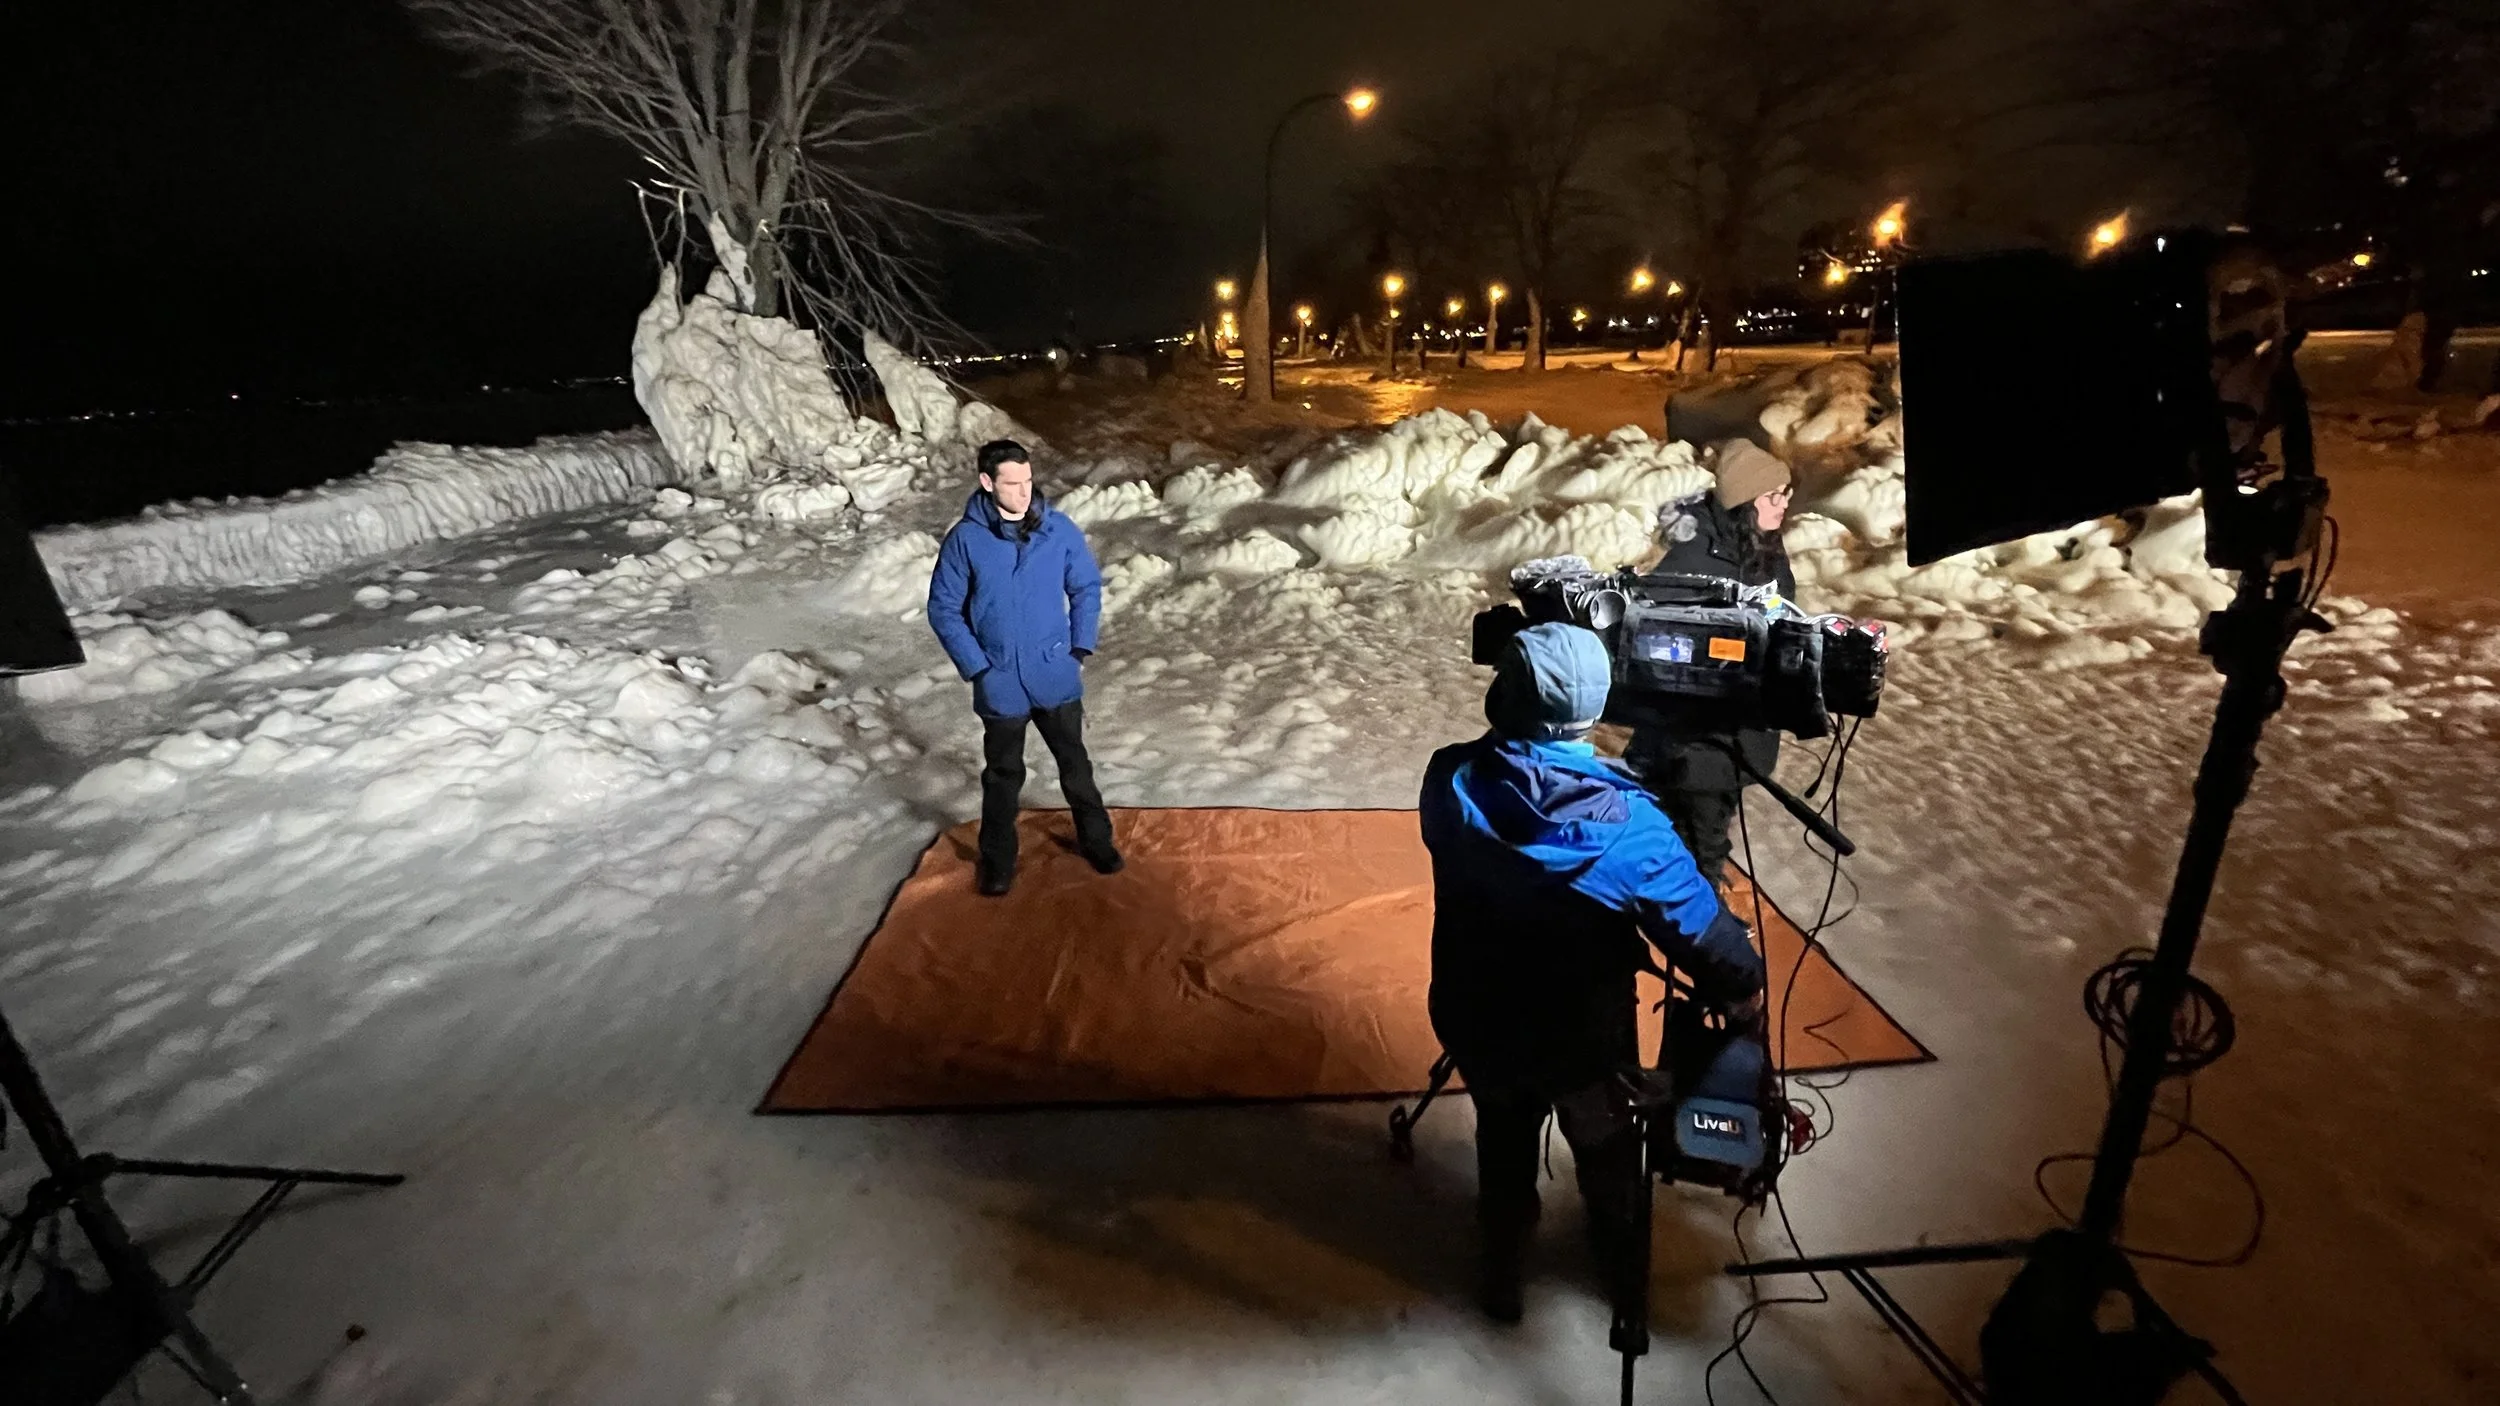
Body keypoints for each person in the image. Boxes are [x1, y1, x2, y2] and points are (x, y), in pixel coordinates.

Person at [1421, 622, 1766, 1329]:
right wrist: (1744, 990)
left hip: (1475, 1018)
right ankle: (1622, 1269)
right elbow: (1703, 934)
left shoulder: (1449, 778)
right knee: (1608, 1155)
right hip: (1582, 1043)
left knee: (1504, 1139)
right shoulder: (1633, 826)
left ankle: (1503, 1272)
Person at [926, 439, 1121, 896]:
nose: (1023, 492)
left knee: (1075, 766)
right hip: (1000, 682)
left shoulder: (1059, 530)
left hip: (1054, 672)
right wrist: (978, 667)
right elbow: (943, 608)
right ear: (987, 482)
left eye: (1028, 481)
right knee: (1002, 777)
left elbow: (1087, 587)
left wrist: (1078, 647)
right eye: (1012, 484)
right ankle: (997, 862)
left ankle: (1097, 841)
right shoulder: (967, 540)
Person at [1623, 438, 1797, 887]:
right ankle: (1702, 930)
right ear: (1744, 502)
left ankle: (1691, 904)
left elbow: (1779, 615)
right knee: (1699, 832)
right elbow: (1649, 642)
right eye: (1773, 495)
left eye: (1787, 492)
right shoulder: (1693, 560)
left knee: (1707, 824)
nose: (1783, 504)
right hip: (1695, 737)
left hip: (1740, 727)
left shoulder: (1765, 551)